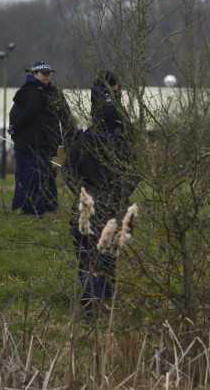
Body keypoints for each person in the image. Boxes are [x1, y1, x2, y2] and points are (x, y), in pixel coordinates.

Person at [64, 70, 139, 314]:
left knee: (87, 257)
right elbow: (133, 175)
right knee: (109, 256)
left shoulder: (80, 143)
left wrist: (81, 192)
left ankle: (91, 304)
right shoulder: (123, 147)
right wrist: (119, 194)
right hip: (114, 209)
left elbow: (67, 172)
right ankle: (106, 299)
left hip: (87, 210)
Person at [9, 60, 75, 215]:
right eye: (43, 73)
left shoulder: (55, 93)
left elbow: (65, 117)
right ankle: (28, 209)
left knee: (49, 176)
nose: (46, 76)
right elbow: (22, 115)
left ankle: (50, 207)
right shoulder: (29, 92)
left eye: (48, 73)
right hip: (30, 144)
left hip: (51, 143)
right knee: (29, 176)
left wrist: (69, 138)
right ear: (34, 74)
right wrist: (15, 130)